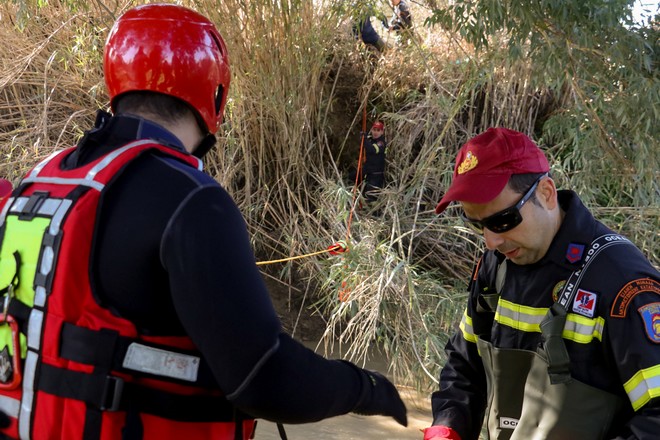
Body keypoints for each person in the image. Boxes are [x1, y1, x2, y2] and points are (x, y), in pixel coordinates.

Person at [0, 4, 406, 440]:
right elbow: (267, 380)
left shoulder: (39, 180)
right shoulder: (190, 199)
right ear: (214, 94)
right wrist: (368, 389)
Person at [424, 128, 660, 440]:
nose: (491, 240)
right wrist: (448, 427)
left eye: (503, 221)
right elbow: (464, 365)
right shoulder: (496, 266)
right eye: (478, 224)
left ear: (546, 193)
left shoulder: (623, 284)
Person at [363, 121, 387, 203]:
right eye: (374, 129)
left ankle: (371, 214)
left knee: (371, 198)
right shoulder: (370, 139)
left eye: (378, 130)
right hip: (367, 173)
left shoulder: (381, 143)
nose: (376, 132)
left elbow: (372, 149)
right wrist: (364, 138)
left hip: (376, 176)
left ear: (382, 132)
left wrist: (364, 140)